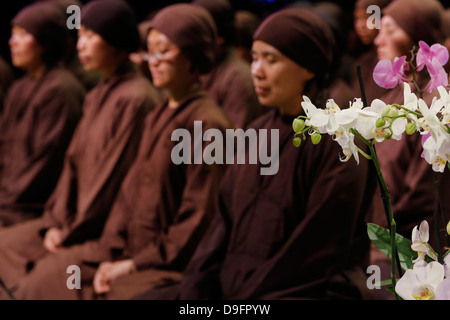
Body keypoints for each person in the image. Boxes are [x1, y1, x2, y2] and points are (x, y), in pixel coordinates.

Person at [135, 7, 375, 300]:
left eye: (270, 60)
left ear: (309, 66)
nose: (256, 70)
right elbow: (222, 226)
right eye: (255, 57)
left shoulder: (339, 140)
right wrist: (197, 287)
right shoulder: (257, 132)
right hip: (235, 284)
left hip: (299, 289)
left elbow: (315, 250)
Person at [1, 3, 232, 300]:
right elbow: (126, 193)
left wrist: (131, 262)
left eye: (164, 51)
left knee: (46, 283)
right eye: (150, 51)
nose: (153, 61)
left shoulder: (206, 123)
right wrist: (90, 239)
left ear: (193, 55)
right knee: (34, 275)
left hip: (164, 262)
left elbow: (197, 221)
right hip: (123, 245)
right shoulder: (159, 112)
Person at [0, 0, 162, 299]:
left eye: (90, 36)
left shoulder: (135, 99)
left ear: (115, 42)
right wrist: (54, 221)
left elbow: (111, 179)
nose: (80, 45)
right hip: (67, 220)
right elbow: (71, 165)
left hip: (101, 230)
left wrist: (69, 230)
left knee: (35, 284)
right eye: (80, 35)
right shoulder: (99, 93)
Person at [368, 0, 445, 299]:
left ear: (417, 38)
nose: (379, 38)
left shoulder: (434, 103)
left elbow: (423, 192)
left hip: (410, 249)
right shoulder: (391, 96)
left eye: (389, 29)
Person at [0, 1, 84, 227]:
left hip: (29, 207)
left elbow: (46, 164)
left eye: (22, 34)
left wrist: (6, 200)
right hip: (7, 200)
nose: (12, 42)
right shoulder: (20, 87)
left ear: (44, 41)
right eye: (12, 34)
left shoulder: (61, 90)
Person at [192, 0, 264, 129]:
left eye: (195, 33)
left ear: (219, 38)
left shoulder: (238, 78)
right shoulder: (202, 68)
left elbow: (235, 143)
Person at [349, 0, 392, 105]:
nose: (360, 25)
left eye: (368, 18)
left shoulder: (393, 61)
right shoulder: (362, 63)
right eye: (357, 18)